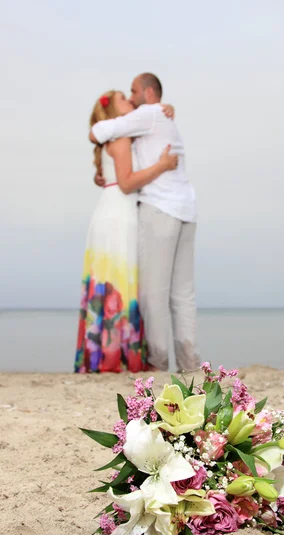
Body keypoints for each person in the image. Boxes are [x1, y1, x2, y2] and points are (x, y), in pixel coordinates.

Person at [91, 73, 200, 372]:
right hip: (186, 209)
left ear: (149, 93)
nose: (131, 94)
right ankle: (190, 364)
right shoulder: (160, 119)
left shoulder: (149, 115)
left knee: (153, 293)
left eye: (134, 90)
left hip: (160, 209)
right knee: (182, 293)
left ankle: (157, 362)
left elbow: (99, 130)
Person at [75, 90, 178, 373]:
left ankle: (106, 355)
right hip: (119, 212)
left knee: (115, 280)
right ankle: (117, 358)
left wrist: (163, 109)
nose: (129, 100)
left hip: (111, 210)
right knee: (122, 281)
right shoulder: (120, 139)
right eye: (123, 97)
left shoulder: (120, 136)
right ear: (111, 112)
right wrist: (163, 165)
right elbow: (127, 183)